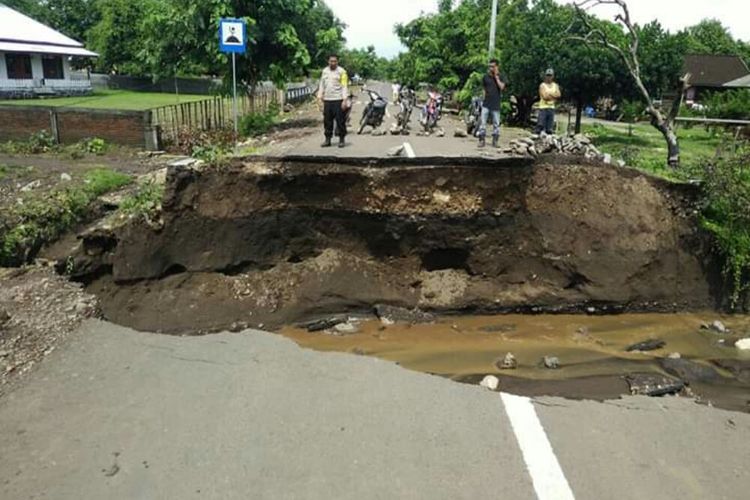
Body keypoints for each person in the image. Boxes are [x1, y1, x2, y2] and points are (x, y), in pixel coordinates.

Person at [317, 54, 349, 148]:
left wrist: (344, 100)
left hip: (338, 99)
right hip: (327, 100)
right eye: (331, 61)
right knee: (327, 121)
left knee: (340, 121)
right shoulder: (324, 71)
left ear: (337, 62)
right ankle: (327, 140)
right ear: (328, 61)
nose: (333, 63)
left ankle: (341, 139)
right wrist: (319, 97)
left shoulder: (342, 72)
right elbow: (321, 85)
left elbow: (344, 86)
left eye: (335, 61)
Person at [478, 59, 506, 148]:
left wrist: (496, 77)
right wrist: (482, 99)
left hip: (496, 103)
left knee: (496, 124)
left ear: (497, 67)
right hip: (486, 103)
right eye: (489, 66)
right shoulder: (485, 77)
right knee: (483, 123)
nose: (491, 68)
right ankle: (482, 140)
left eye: (493, 66)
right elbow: (484, 89)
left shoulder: (501, 76)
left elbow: (502, 87)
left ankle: (495, 141)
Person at [535, 68, 561, 135]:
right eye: (547, 75)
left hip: (551, 108)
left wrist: (549, 94)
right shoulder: (542, 85)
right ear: (545, 76)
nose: (549, 77)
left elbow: (558, 95)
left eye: (550, 75)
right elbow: (544, 97)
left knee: (549, 128)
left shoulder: (555, 85)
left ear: (553, 76)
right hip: (543, 108)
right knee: (540, 126)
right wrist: (553, 95)